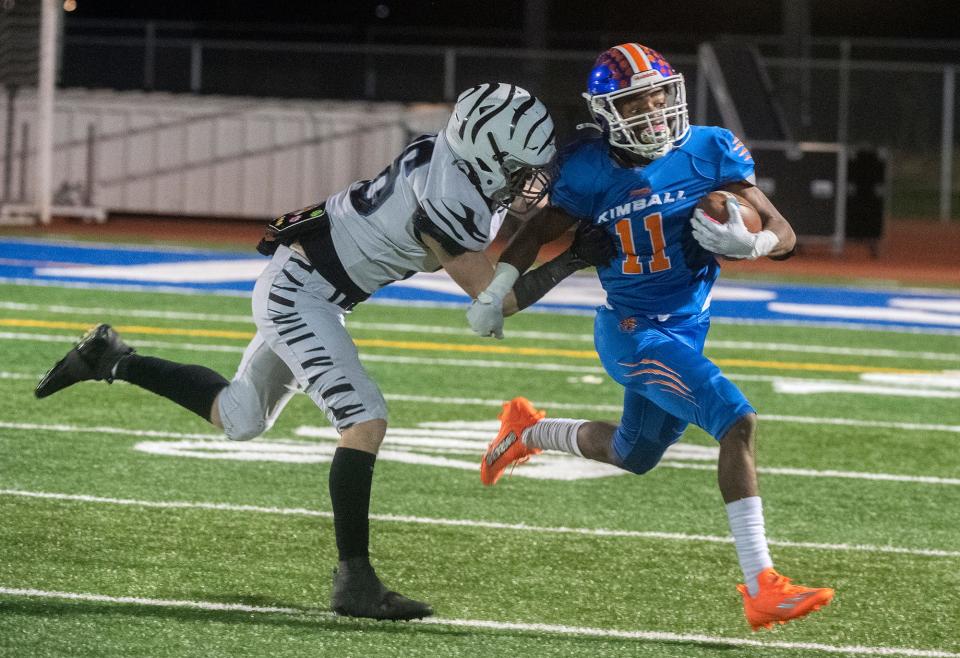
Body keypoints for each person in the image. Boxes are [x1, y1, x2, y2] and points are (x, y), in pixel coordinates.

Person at [34, 82, 572, 621]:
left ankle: (110, 358)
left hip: (311, 284)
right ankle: (355, 582)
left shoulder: (450, 159)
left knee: (241, 417)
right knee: (365, 420)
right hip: (301, 293)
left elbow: (498, 246)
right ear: (485, 155)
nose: (531, 182)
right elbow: (492, 302)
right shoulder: (449, 199)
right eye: (521, 168)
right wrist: (570, 260)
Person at [468, 44, 834, 631]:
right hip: (633, 332)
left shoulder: (710, 148)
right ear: (607, 111)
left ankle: (527, 431)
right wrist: (499, 286)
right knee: (735, 420)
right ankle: (762, 584)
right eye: (636, 99)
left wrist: (755, 243)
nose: (654, 109)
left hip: (687, 329)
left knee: (633, 454)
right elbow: (536, 232)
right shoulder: (590, 167)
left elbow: (783, 230)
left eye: (659, 94)